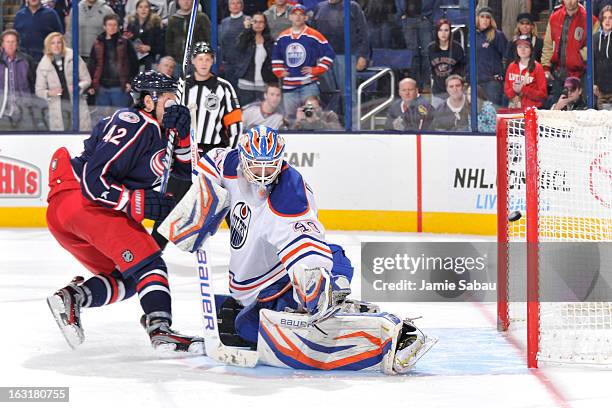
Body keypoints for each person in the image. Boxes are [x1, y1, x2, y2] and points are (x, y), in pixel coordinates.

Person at [158, 124, 435, 373]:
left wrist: (312, 284)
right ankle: (324, 302)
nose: (264, 176)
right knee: (245, 326)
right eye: (257, 166)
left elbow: (305, 245)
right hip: (249, 286)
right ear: (243, 160)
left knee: (326, 265)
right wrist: (201, 193)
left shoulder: (289, 195)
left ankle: (351, 318)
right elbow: (210, 163)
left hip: (278, 281)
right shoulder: (230, 164)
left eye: (270, 167)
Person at [46, 71, 204, 352]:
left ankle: (74, 298)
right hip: (82, 200)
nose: (173, 105)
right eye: (168, 99)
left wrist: (183, 136)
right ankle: (161, 330)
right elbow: (94, 182)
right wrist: (137, 203)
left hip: (75, 210)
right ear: (147, 100)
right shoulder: (134, 123)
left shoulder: (160, 131)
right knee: (150, 263)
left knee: (131, 277)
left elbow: (184, 175)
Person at [150, 41, 243, 249]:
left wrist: (231, 154)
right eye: (200, 59)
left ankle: (245, 251)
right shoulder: (181, 87)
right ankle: (150, 252)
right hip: (185, 151)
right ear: (192, 61)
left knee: (228, 202)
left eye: (207, 59)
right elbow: (167, 116)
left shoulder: (224, 88)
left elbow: (235, 123)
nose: (203, 62)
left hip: (214, 154)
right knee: (172, 203)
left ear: (212, 61)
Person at [272, 5, 335, 121]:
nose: (298, 17)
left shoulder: (314, 35)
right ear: (290, 17)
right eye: (295, 14)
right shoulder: (283, 37)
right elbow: (276, 57)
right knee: (290, 119)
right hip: (289, 87)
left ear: (306, 17)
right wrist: (279, 71)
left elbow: (329, 54)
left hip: (309, 85)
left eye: (301, 14)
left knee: (310, 117)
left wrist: (316, 70)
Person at [542, 0, 599, 101]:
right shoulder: (554, 17)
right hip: (559, 75)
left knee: (582, 112)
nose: (570, 2)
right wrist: (546, 67)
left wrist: (578, 56)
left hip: (581, 75)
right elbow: (548, 44)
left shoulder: (590, 20)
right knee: (558, 113)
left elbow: (594, 45)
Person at [35, 32, 92, 131]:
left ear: (62, 44)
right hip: (57, 106)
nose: (56, 46)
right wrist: (49, 93)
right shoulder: (43, 64)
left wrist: (78, 87)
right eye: (53, 43)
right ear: (48, 46)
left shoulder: (73, 57)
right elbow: (39, 90)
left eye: (59, 42)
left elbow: (87, 79)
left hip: (76, 103)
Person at [88, 14, 139, 117]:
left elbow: (134, 64)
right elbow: (92, 65)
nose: (112, 27)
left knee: (121, 118)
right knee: (101, 118)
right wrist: (91, 84)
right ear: (104, 26)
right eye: (109, 25)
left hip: (120, 87)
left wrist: (130, 82)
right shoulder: (97, 44)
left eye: (115, 25)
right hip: (101, 87)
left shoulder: (125, 43)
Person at [235, 12, 276, 106]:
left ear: (265, 24)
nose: (258, 24)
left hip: (263, 84)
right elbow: (239, 48)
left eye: (261, 22)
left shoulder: (270, 41)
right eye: (255, 22)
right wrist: (246, 30)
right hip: (245, 84)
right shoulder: (245, 37)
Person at [0, 29, 38, 131]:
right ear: (2, 44)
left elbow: (34, 83)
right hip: (3, 113)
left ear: (17, 43)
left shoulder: (27, 60)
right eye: (7, 42)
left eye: (13, 41)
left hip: (24, 113)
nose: (10, 44)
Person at [396, 0, 434, 90]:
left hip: (424, 18)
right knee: (413, 54)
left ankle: (427, 83)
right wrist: (400, 14)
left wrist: (429, 14)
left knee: (427, 53)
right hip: (407, 19)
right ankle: (415, 85)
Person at [165, 0, 211, 75]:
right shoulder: (173, 20)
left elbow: (207, 38)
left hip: (197, 62)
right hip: (178, 62)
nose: (185, 1)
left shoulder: (201, 18)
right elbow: (169, 41)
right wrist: (172, 57)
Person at [475, 6, 508, 107]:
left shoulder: (497, 35)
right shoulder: (472, 35)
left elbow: (507, 57)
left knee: (493, 112)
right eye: (482, 17)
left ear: (491, 20)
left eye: (488, 17)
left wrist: (501, 74)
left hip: (492, 82)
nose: (485, 20)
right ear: (478, 18)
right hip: (476, 81)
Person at [504, 35, 547, 109]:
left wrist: (524, 89)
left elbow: (543, 95)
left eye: (526, 47)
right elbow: (507, 90)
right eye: (519, 47)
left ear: (531, 49)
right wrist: (513, 90)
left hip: (532, 110)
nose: (522, 49)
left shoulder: (537, 67)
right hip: (515, 108)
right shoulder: (511, 66)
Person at [428, 18, 466, 103]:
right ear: (437, 32)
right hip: (438, 92)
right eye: (440, 30)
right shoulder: (431, 48)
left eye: (446, 30)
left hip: (455, 92)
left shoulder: (457, 48)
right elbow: (430, 68)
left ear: (450, 32)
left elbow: (463, 67)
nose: (443, 33)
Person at [124, 0, 165, 71]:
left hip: (150, 61)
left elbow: (161, 47)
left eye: (146, 7)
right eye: (140, 7)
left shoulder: (156, 25)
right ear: (136, 10)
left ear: (149, 10)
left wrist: (150, 48)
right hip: (133, 60)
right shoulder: (131, 24)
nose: (143, 10)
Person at [219, 0, 247, 89]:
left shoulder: (247, 20)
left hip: (243, 65)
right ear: (229, 6)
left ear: (242, 6)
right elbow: (222, 43)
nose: (235, 5)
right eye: (232, 3)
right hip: (228, 65)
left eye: (238, 3)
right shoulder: (224, 22)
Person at [594, 6, 612, 110]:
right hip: (600, 91)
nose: (607, 21)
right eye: (605, 18)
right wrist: (594, 83)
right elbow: (592, 63)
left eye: (610, 17)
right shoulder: (595, 39)